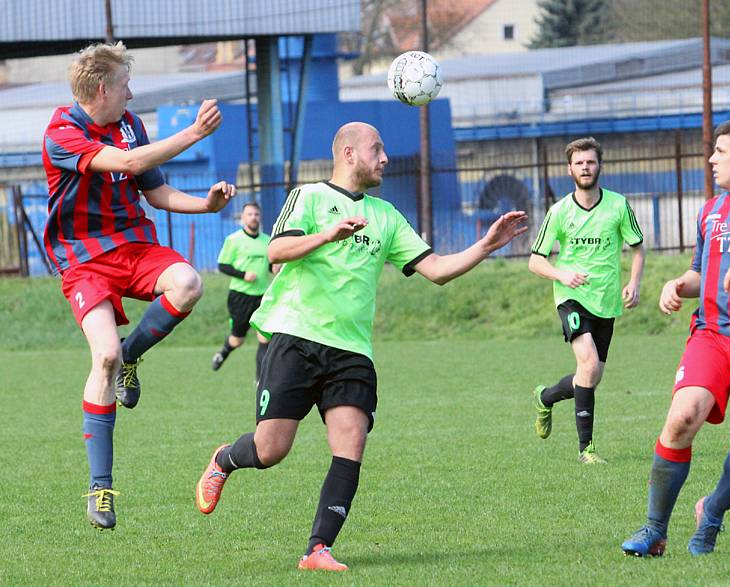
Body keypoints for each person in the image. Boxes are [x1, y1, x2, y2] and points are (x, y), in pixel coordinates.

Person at [195, 121, 528, 571]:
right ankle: (223, 459)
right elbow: (277, 252)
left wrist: (486, 244)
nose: (385, 158)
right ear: (349, 154)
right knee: (271, 450)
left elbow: (438, 270)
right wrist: (327, 235)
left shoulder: (387, 217)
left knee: (350, 443)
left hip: (352, 352)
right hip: (297, 338)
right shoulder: (309, 196)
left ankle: (317, 549)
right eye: (377, 149)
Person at [42, 41, 236, 530]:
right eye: (125, 85)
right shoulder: (62, 131)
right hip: (85, 260)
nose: (131, 93)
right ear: (102, 89)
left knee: (188, 282)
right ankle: (101, 488)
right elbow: (126, 165)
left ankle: (134, 354)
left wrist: (205, 206)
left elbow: (155, 190)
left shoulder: (132, 125)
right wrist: (193, 132)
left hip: (134, 247)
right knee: (103, 357)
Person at [621, 118, 730, 557]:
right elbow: (702, 273)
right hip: (713, 336)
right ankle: (654, 530)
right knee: (682, 418)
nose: (711, 159)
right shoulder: (710, 211)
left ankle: (712, 511)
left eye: (720, 151)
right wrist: (677, 285)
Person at [529, 137, 645, 464]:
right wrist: (562, 275)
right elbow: (535, 260)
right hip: (571, 298)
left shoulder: (618, 206)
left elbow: (637, 247)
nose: (585, 168)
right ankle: (586, 451)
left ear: (599, 166)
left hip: (606, 301)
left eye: (590, 162)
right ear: (570, 169)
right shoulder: (560, 212)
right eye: (579, 163)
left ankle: (546, 396)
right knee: (589, 364)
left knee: (590, 377)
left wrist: (634, 283)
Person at [211, 201, 278, 380]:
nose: (253, 217)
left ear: (260, 217)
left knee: (264, 339)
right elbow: (223, 265)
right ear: (242, 218)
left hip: (262, 296)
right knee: (237, 340)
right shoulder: (233, 240)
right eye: (249, 214)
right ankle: (222, 353)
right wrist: (243, 274)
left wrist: (276, 268)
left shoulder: (267, 240)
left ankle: (259, 381)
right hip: (240, 296)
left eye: (256, 214)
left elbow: (272, 267)